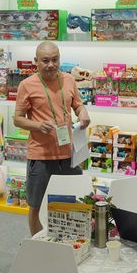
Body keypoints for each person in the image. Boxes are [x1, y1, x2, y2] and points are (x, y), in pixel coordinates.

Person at [13, 41, 91, 235]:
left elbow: (78, 105)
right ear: (36, 61)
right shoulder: (26, 85)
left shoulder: (69, 80)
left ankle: (70, 242)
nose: (51, 65)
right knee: (36, 205)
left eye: (55, 60)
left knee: (75, 201)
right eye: (45, 60)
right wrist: (38, 125)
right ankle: (37, 246)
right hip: (41, 156)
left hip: (69, 154)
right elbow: (17, 119)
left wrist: (83, 113)